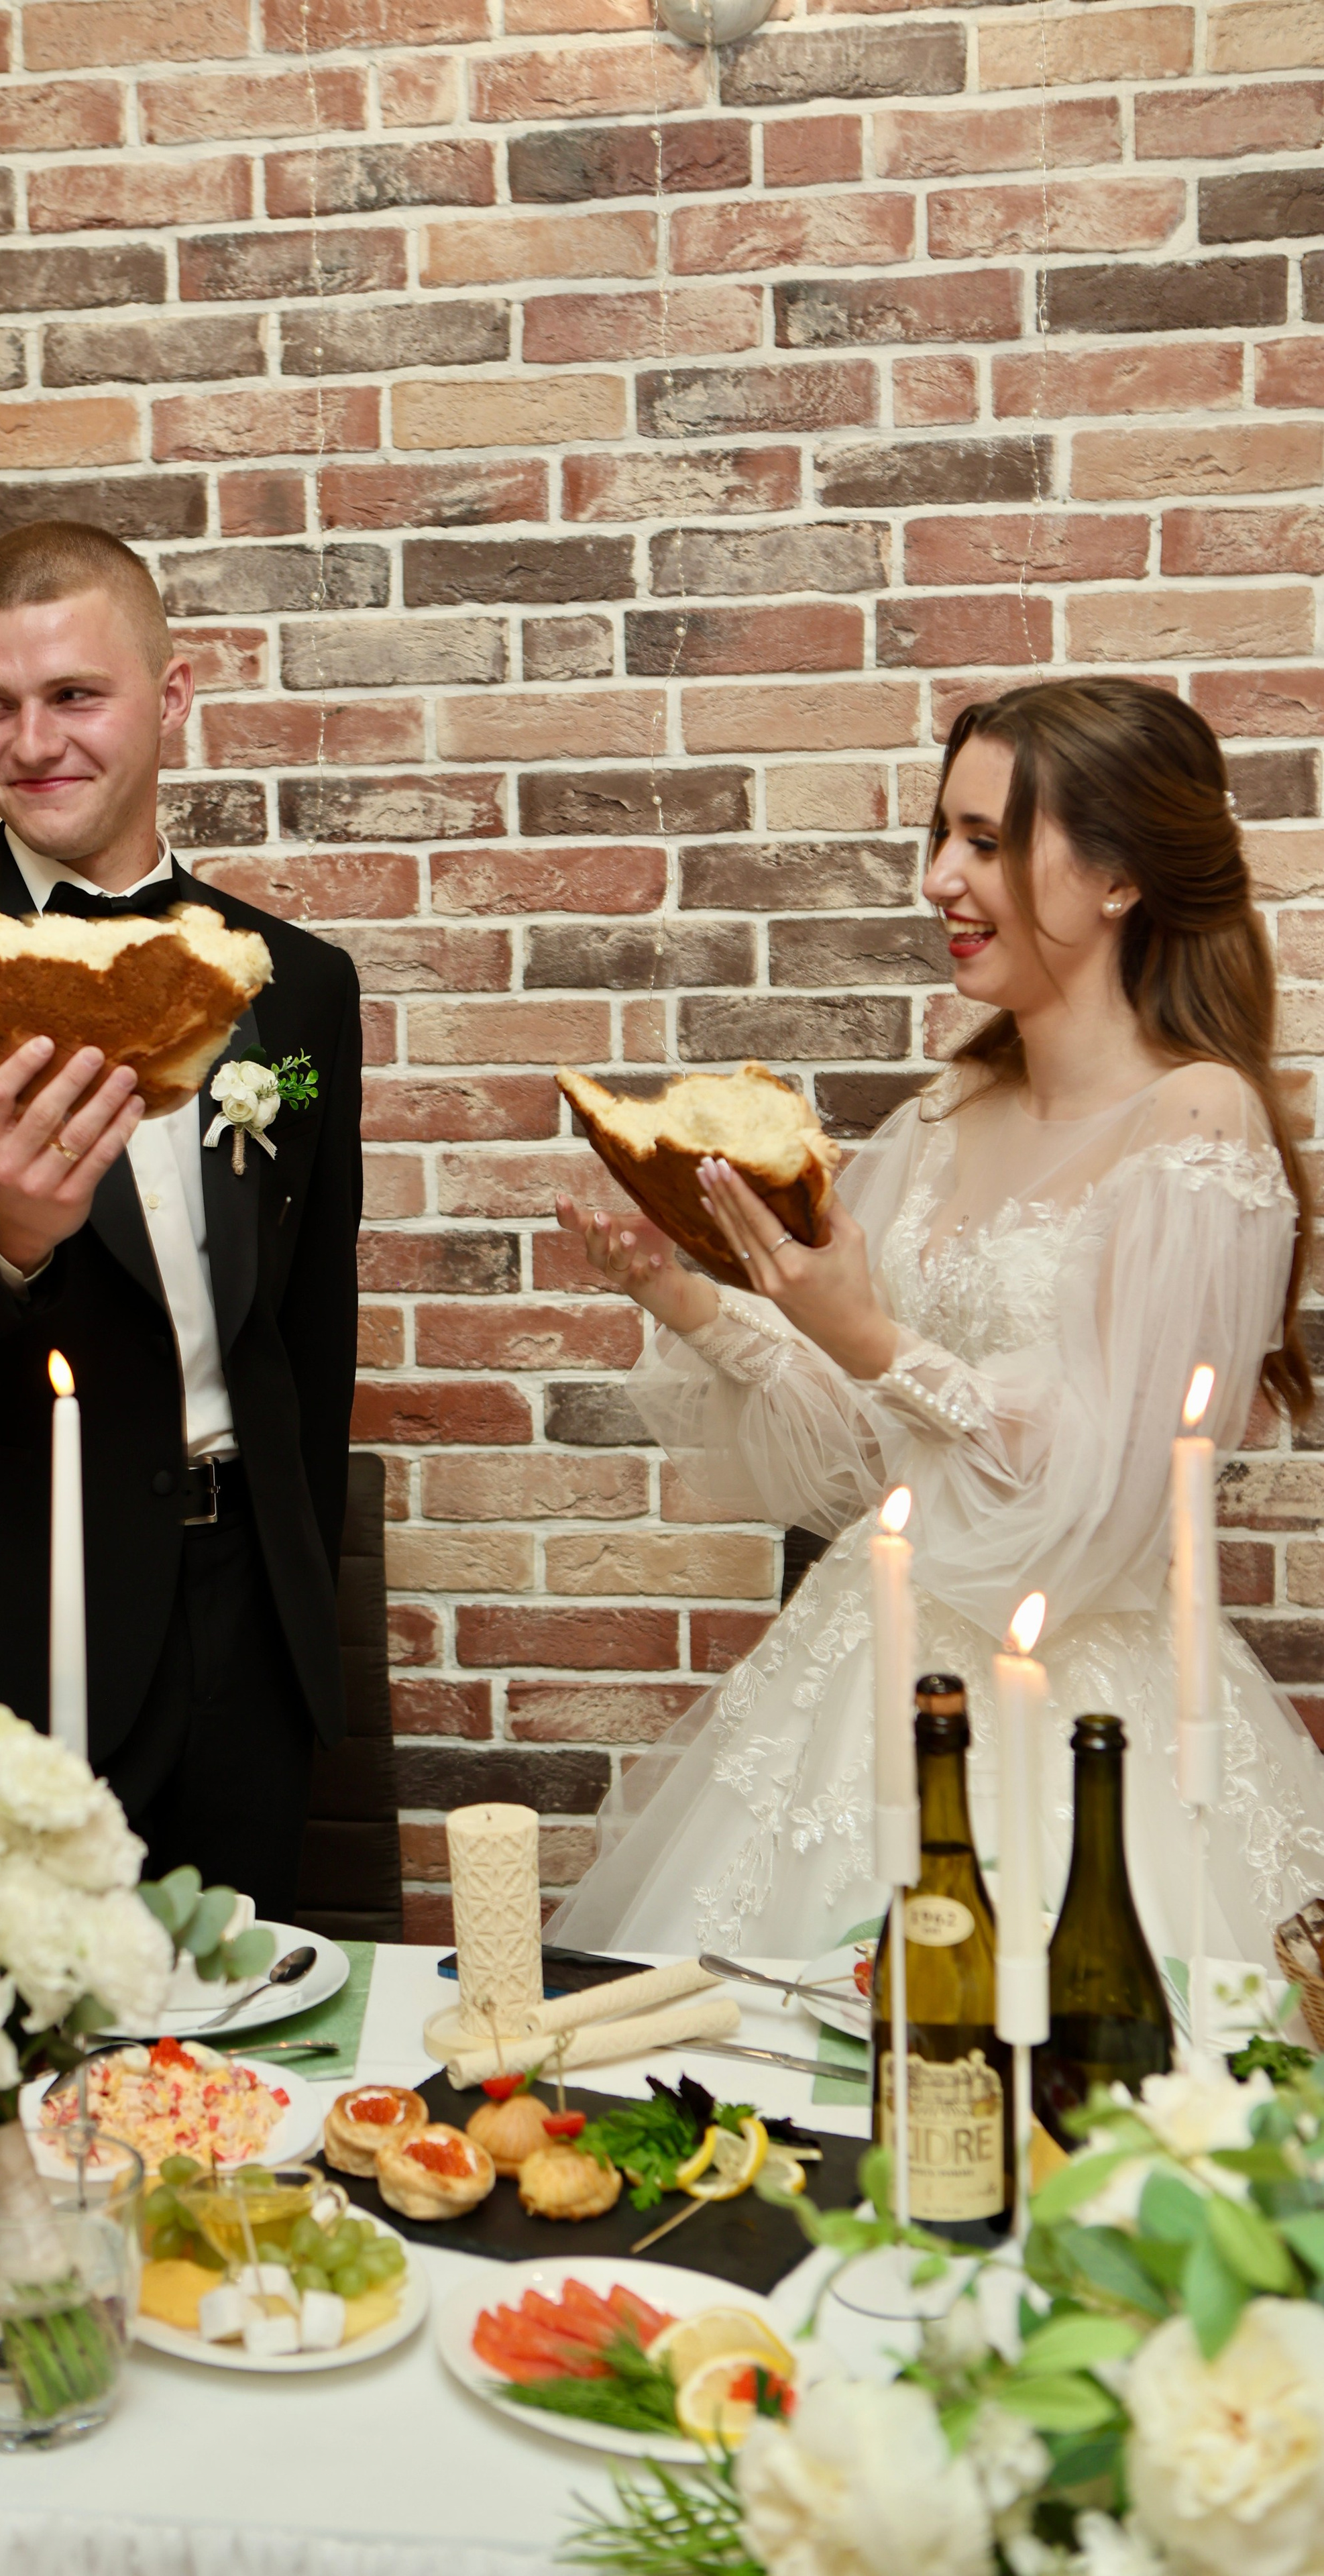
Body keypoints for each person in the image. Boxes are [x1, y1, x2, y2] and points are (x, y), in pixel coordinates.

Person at [549, 676, 1324, 1972]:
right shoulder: (949, 1109)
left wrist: (870, 1340)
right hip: (865, 1676)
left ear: (1121, 876)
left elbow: (1091, 1517)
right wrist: (680, 1289)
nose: (938, 880)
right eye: (940, 836)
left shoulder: (1197, 1132)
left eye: (989, 841)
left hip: (1083, 1720)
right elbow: (860, 1465)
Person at [0, 520, 362, 1917]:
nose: (29, 742)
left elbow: (305, 1341)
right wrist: (1, 1234)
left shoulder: (302, 985)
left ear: (172, 697)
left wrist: (299, 1631)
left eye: (73, 696)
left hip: (246, 1646)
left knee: (243, 2085)